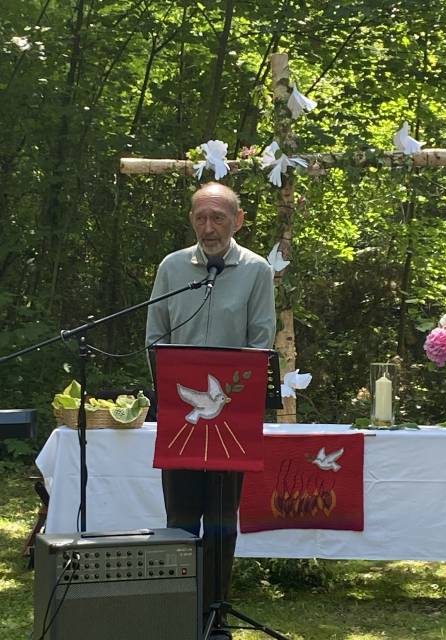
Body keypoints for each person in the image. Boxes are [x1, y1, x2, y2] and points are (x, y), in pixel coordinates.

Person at [145, 182, 276, 639]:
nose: (208, 227)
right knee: (180, 518)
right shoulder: (171, 267)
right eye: (200, 217)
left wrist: (230, 392)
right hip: (182, 417)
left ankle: (215, 615)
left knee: (221, 519)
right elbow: (154, 338)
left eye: (218, 217)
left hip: (232, 420)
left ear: (237, 220)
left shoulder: (256, 270)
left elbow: (261, 341)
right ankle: (178, 611)